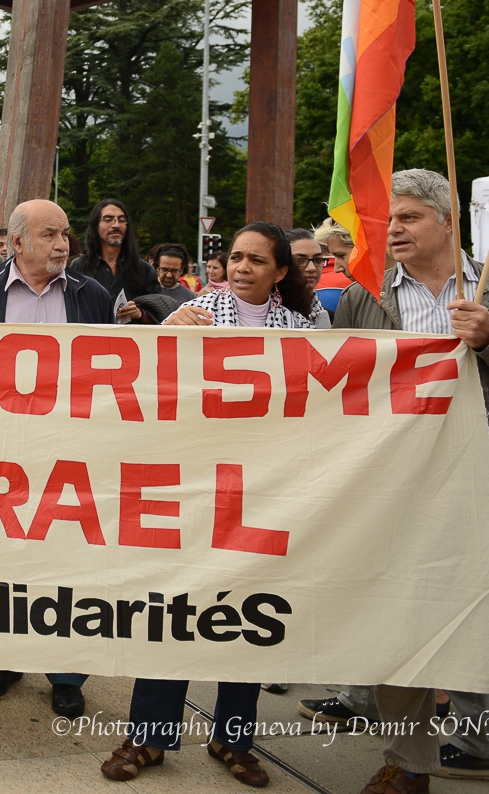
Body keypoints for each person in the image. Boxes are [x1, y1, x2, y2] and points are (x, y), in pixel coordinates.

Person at [333, 170, 489, 794]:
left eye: (408, 217)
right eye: (390, 220)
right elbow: (333, 388)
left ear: (447, 220)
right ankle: (410, 765)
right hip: (403, 503)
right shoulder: (366, 295)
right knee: (400, 643)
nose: (395, 230)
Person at [102, 221, 314, 788]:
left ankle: (234, 737)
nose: (242, 268)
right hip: (191, 488)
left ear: (281, 271)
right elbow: (150, 385)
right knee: (173, 609)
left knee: (246, 613)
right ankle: (149, 735)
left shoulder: (304, 328)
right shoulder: (192, 314)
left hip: (261, 491)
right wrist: (164, 330)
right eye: (236, 257)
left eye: (257, 261)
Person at [0, 199, 110, 719]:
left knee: (68, 560)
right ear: (16, 242)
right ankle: (4, 657)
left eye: (66, 234)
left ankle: (66, 672)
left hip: (72, 453)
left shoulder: (93, 295)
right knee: (5, 557)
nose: (63, 244)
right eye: (50, 234)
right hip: (5, 453)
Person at [72, 199, 157, 322]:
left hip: (132, 339)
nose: (116, 225)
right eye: (108, 219)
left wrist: (140, 313)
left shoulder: (143, 269)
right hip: (90, 338)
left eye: (122, 220)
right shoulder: (79, 266)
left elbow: (161, 315)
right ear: (96, 226)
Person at [284, 228, 331, 328]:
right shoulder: (262, 314)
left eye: (318, 260)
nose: (312, 268)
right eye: (300, 260)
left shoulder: (330, 318)